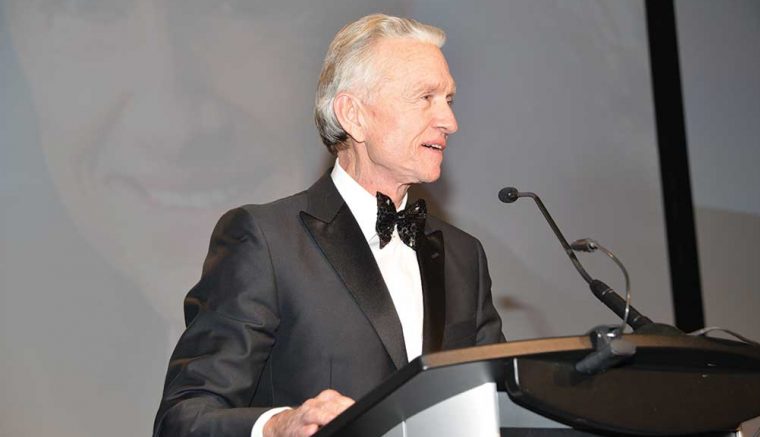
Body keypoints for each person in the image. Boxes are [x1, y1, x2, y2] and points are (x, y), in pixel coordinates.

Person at [154, 14, 504, 437]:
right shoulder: (266, 241)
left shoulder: (464, 255)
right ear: (354, 115)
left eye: (449, 99)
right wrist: (278, 425)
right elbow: (183, 418)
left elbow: (498, 404)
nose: (449, 121)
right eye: (425, 97)